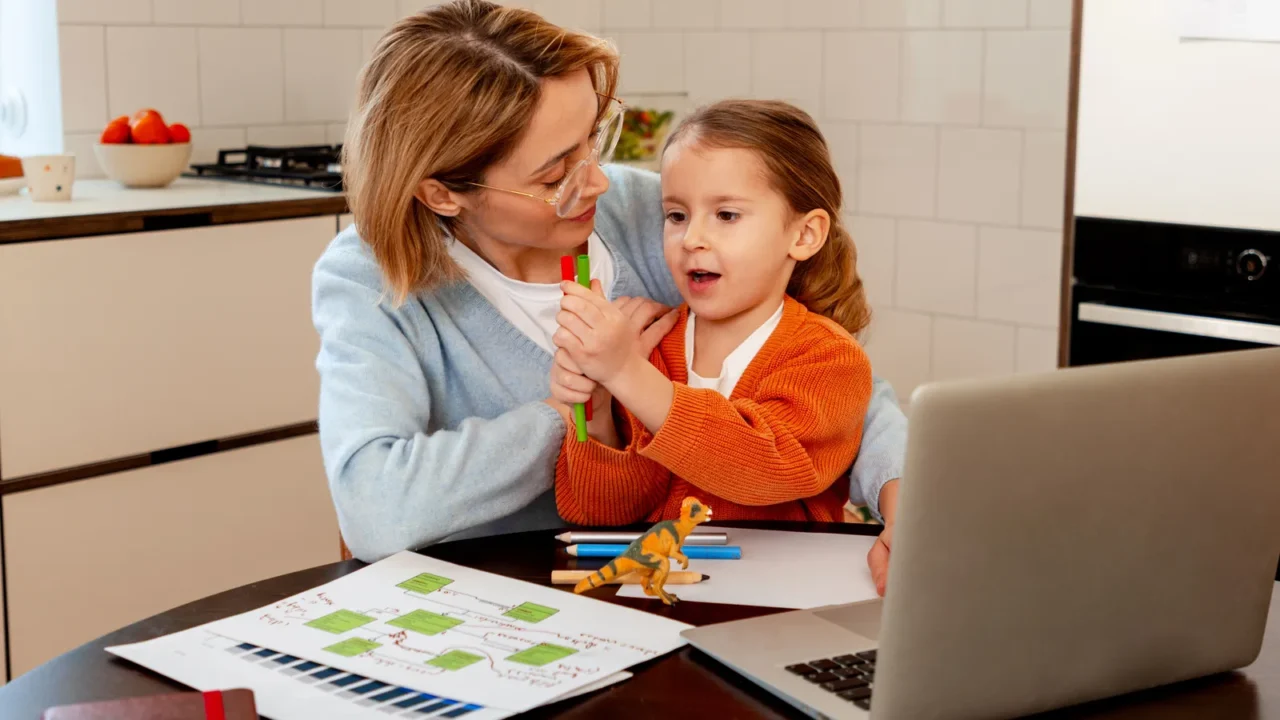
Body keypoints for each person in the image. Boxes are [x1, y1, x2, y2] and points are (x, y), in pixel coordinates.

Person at [310, 0, 905, 594]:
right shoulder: (369, 276)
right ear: (442, 194)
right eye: (554, 174)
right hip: (499, 602)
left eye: (594, 137)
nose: (597, 179)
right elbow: (375, 508)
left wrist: (906, 495)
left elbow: (817, 377)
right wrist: (578, 406)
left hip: (678, 591)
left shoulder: (656, 213)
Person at [551, 99, 872, 527]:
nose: (691, 238)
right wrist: (599, 411)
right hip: (666, 590)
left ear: (804, 234)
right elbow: (600, 514)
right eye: (676, 215)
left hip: (779, 591)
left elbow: (763, 468)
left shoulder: (829, 360)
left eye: (726, 214)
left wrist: (627, 374)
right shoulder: (652, 348)